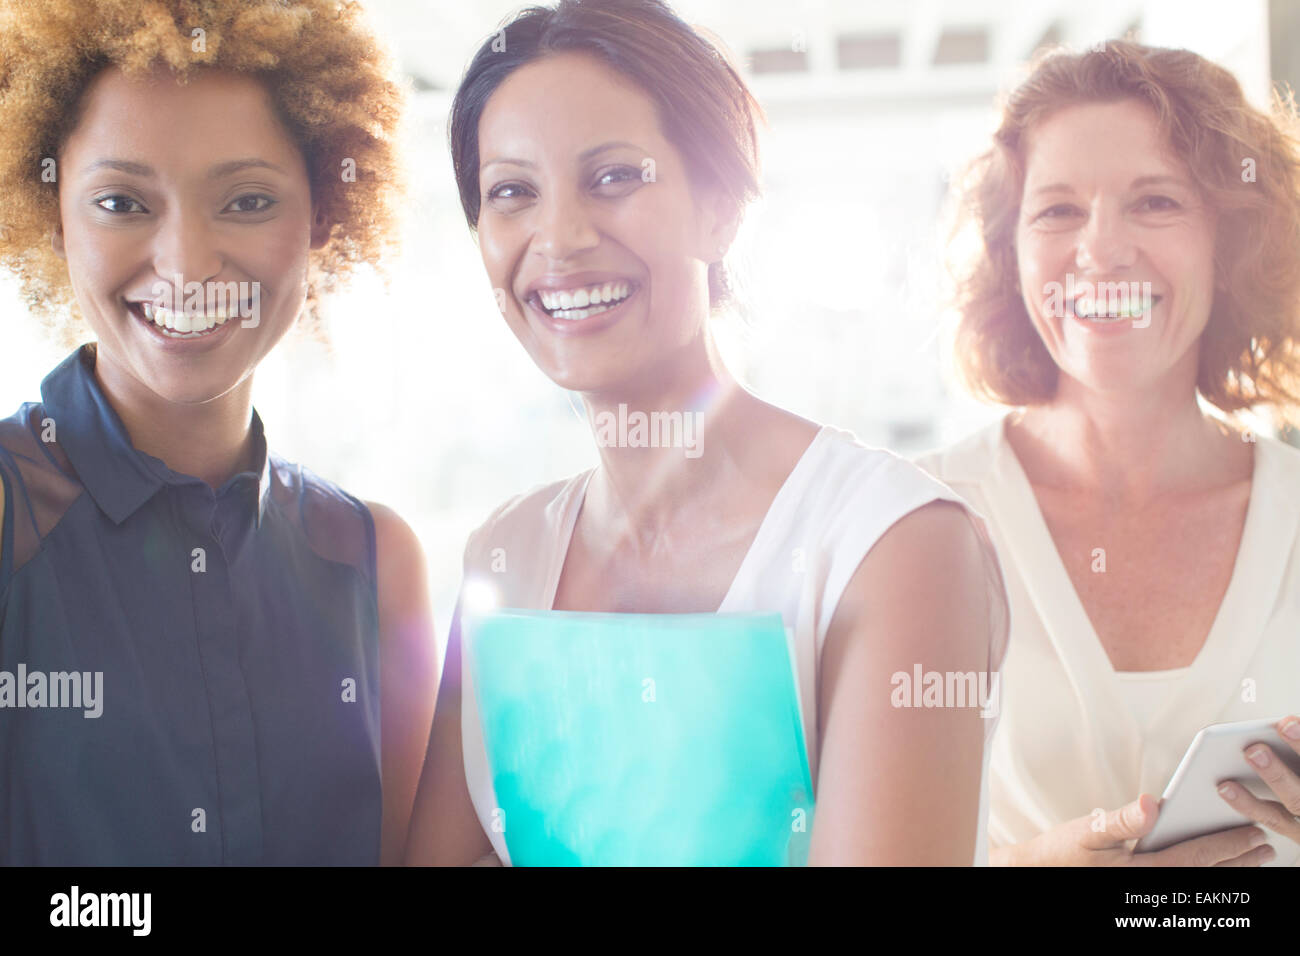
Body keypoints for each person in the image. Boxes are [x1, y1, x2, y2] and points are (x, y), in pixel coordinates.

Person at [405, 0, 1008, 867]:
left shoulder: (893, 541)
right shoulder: (504, 555)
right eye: (512, 193)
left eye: (615, 176)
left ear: (721, 207)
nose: (560, 237)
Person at [0, 0, 436, 865]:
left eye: (246, 199)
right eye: (123, 201)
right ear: (54, 217)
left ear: (322, 217)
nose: (187, 264)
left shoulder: (375, 557)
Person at [915, 40, 1300, 866]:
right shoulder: (916, 520)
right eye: (1057, 210)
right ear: (1009, 254)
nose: (1101, 250)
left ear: (1228, 243)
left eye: (1155, 202)